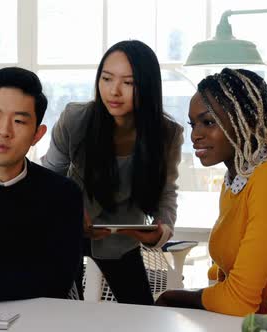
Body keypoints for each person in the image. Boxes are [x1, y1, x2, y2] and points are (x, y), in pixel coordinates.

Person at [155, 68, 267, 316]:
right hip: (244, 321)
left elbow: (239, 302)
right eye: (193, 124)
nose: (195, 135)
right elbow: (230, 274)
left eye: (208, 122)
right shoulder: (235, 180)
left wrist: (173, 297)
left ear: (247, 120)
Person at [41, 40, 183, 305]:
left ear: (147, 86)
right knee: (63, 310)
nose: (113, 91)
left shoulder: (167, 135)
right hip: (68, 231)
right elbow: (48, 177)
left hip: (121, 237)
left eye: (128, 83)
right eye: (106, 79)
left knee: (142, 313)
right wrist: (69, 209)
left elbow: (167, 194)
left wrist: (161, 230)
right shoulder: (75, 119)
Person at [0, 67, 84, 301]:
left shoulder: (63, 193)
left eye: (19, 121)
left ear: (37, 135)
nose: (4, 131)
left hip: (38, 316)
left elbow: (59, 277)